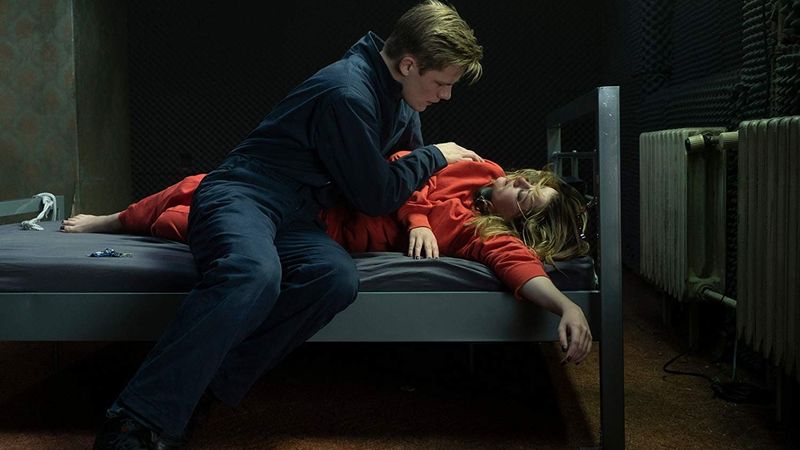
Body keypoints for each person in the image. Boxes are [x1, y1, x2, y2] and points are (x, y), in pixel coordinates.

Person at [88, 2, 484, 449]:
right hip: (244, 193)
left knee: (334, 277)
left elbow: (402, 184)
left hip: (297, 215)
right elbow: (375, 195)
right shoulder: (348, 93)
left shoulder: (403, 103)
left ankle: (198, 389)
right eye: (442, 83)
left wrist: (419, 219)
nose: (446, 96)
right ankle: (133, 420)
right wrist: (435, 154)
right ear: (408, 64)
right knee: (253, 273)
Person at [64, 152, 593, 369]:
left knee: (176, 224)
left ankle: (151, 223)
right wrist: (417, 218)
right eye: (531, 180)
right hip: (329, 193)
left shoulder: (482, 231)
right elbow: (400, 165)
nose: (521, 182)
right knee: (201, 184)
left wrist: (566, 306)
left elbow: (517, 266)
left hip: (329, 230)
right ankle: (115, 220)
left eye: (527, 196)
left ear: (521, 223)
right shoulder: (481, 167)